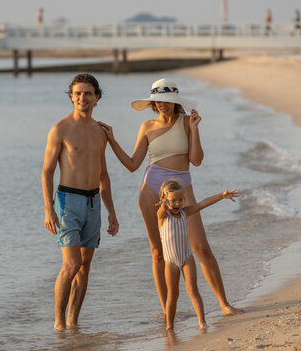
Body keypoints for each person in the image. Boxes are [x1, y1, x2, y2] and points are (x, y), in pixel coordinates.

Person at [98, 78, 242, 317]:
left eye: (167, 100)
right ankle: (167, 311)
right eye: (158, 101)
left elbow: (196, 160)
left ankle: (225, 304)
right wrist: (112, 140)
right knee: (158, 252)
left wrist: (195, 129)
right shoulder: (146, 126)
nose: (162, 105)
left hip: (182, 187)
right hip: (151, 189)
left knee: (201, 247)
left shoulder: (187, 122)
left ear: (176, 102)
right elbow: (133, 165)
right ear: (153, 103)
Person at [41, 73, 119, 332]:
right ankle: (59, 323)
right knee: (71, 264)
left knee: (84, 267)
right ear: (71, 96)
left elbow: (103, 174)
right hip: (68, 200)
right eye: (77, 93)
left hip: (93, 201)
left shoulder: (101, 132)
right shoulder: (60, 128)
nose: (82, 98)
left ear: (97, 97)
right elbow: (47, 171)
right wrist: (48, 208)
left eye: (87, 93)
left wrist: (111, 212)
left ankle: (73, 322)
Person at [156, 180, 240, 330]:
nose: (177, 204)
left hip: (187, 257)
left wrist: (222, 195)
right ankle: (169, 326)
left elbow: (202, 204)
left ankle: (202, 322)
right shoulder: (162, 217)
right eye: (173, 200)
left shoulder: (185, 212)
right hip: (170, 262)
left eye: (180, 200)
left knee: (193, 290)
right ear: (164, 199)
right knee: (173, 294)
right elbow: (161, 210)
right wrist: (164, 204)